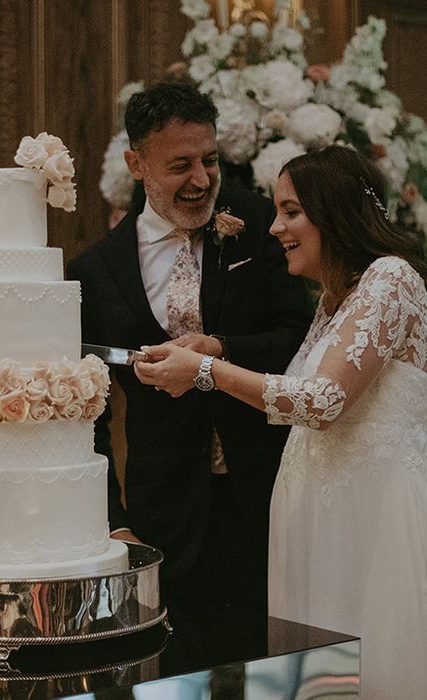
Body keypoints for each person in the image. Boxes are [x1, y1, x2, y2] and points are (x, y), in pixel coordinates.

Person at [134, 145, 427, 699]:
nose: (274, 228)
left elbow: (321, 401)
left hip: (376, 518)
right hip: (318, 519)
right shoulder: (333, 301)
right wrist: (210, 350)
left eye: (290, 211)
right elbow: (288, 394)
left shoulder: (392, 279)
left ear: (333, 210)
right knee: (327, 681)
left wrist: (206, 370)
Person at [67, 81, 313, 617]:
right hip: (165, 515)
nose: (202, 180)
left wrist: (220, 349)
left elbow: (301, 338)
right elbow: (85, 416)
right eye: (181, 165)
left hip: (272, 496)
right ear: (137, 164)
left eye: (210, 160)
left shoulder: (259, 226)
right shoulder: (96, 272)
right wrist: (114, 521)